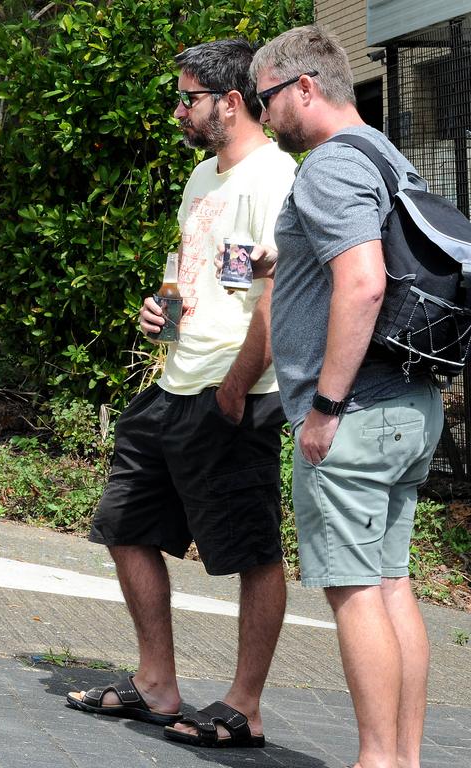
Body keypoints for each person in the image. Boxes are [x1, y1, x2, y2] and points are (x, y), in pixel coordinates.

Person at [65, 39, 296, 749]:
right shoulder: (204, 177)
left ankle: (244, 706)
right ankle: (157, 685)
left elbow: (276, 296)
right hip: (173, 379)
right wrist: (158, 309)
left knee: (251, 551)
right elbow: (192, 269)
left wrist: (235, 391)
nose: (177, 111)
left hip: (235, 388)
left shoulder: (275, 178)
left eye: (187, 98)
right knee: (124, 524)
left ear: (230, 102)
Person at [251, 25, 444, 768]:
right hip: (408, 405)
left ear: (305, 86)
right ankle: (404, 760)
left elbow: (362, 283)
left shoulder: (329, 166)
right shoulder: (387, 155)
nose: (265, 115)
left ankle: (375, 760)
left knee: (356, 592)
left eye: (268, 97)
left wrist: (325, 408)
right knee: (393, 586)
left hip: (355, 414)